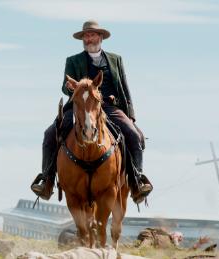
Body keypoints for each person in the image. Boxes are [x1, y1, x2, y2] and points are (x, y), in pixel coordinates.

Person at [30, 20, 152, 204]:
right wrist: (73, 88)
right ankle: (46, 181)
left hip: (110, 107)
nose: (89, 38)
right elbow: (65, 88)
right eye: (86, 35)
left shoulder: (116, 59)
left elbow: (125, 88)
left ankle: (137, 181)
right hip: (80, 107)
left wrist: (130, 116)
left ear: (100, 37)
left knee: (135, 136)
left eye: (92, 34)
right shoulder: (73, 60)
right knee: (49, 134)